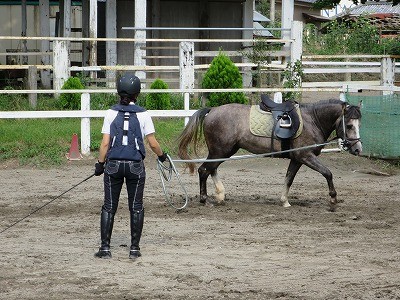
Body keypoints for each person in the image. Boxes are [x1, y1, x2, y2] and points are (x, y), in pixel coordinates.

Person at [94, 73, 167, 259]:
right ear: (137, 94)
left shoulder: (110, 113)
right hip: (135, 166)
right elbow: (152, 143)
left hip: (114, 166)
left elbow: (104, 144)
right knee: (136, 207)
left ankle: (105, 248)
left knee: (109, 206)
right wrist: (162, 156)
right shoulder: (143, 114)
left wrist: (100, 164)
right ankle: (134, 249)